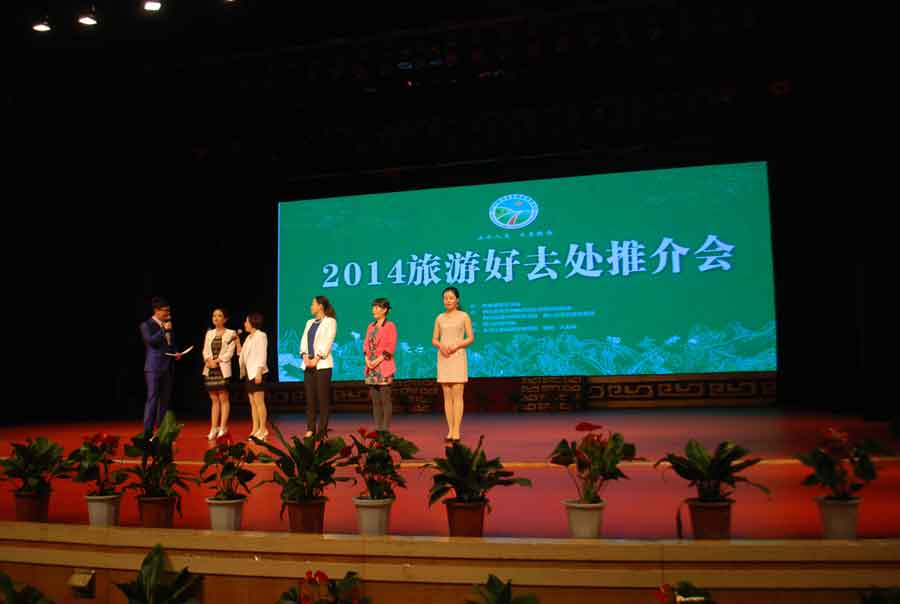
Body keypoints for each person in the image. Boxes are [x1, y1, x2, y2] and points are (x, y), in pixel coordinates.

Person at [432, 287, 474, 442]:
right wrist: (440, 345)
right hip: (444, 356)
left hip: (457, 355)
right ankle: (450, 429)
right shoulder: (439, 317)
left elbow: (470, 338)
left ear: (457, 300)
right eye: (445, 298)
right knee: (447, 396)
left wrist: (457, 345)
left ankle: (457, 430)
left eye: (451, 298)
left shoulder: (464, 316)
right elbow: (434, 339)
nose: (447, 300)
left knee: (457, 394)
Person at [139, 296, 182, 434]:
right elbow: (150, 341)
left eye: (168, 310)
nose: (167, 313)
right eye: (165, 311)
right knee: (152, 398)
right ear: (156, 311)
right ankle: (147, 430)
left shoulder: (168, 324)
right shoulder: (146, 325)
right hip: (153, 367)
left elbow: (171, 342)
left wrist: (176, 352)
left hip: (167, 366)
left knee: (164, 400)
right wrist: (163, 329)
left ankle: (161, 429)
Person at [300, 295, 337, 438]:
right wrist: (305, 356)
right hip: (308, 364)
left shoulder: (330, 322)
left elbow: (328, 341)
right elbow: (304, 341)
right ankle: (310, 428)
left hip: (322, 365)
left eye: (313, 304)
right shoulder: (309, 322)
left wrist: (316, 358)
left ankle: (322, 431)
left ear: (320, 306)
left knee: (322, 399)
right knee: (310, 399)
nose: (311, 307)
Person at [202, 307, 240, 440]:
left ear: (225, 319)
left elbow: (230, 352)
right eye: (214, 316)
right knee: (214, 399)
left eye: (219, 316)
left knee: (223, 398)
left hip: (222, 369)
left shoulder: (231, 333)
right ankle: (213, 428)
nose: (216, 318)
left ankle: (223, 427)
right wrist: (208, 360)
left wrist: (217, 361)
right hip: (210, 369)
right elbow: (205, 350)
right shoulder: (209, 333)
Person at [364, 298, 397, 432]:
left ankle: (385, 428)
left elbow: (391, 346)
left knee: (385, 399)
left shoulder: (390, 326)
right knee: (375, 401)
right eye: (373, 307)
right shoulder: (370, 326)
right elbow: (366, 345)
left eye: (377, 307)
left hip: (383, 365)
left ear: (385, 310)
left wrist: (377, 360)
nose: (374, 310)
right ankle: (378, 427)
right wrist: (367, 359)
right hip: (371, 366)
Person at [239, 312, 268, 441]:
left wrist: (259, 372)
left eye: (246, 321)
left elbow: (262, 354)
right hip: (249, 373)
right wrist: (236, 342)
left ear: (252, 322)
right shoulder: (248, 338)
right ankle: (255, 429)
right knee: (253, 404)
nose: (245, 324)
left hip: (257, 373)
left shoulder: (261, 336)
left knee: (259, 402)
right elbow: (242, 354)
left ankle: (263, 429)